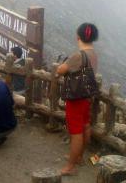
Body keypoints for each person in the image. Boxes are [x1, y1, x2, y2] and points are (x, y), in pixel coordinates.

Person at [56, 23, 99, 176]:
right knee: (85, 126)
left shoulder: (78, 56)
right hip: (87, 97)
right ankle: (79, 157)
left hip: (76, 98)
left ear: (78, 37)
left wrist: (62, 64)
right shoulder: (93, 54)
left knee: (76, 132)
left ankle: (70, 166)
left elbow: (60, 70)